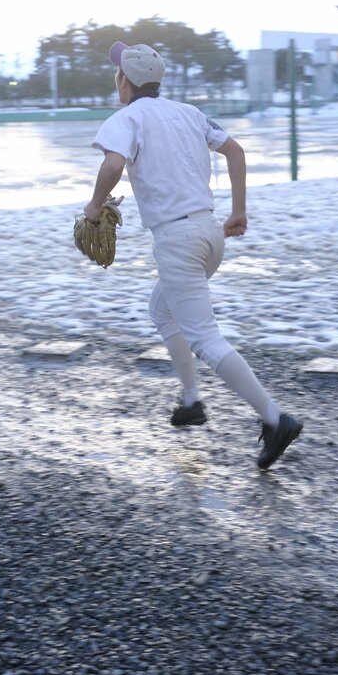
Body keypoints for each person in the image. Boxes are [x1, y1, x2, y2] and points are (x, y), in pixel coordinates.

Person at [84, 41, 303, 470]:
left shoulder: (127, 117)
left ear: (123, 80)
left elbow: (112, 166)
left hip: (177, 240)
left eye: (117, 74)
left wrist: (94, 206)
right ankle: (190, 401)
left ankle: (276, 419)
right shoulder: (188, 112)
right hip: (208, 231)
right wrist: (238, 210)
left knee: (204, 337)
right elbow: (235, 151)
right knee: (163, 311)